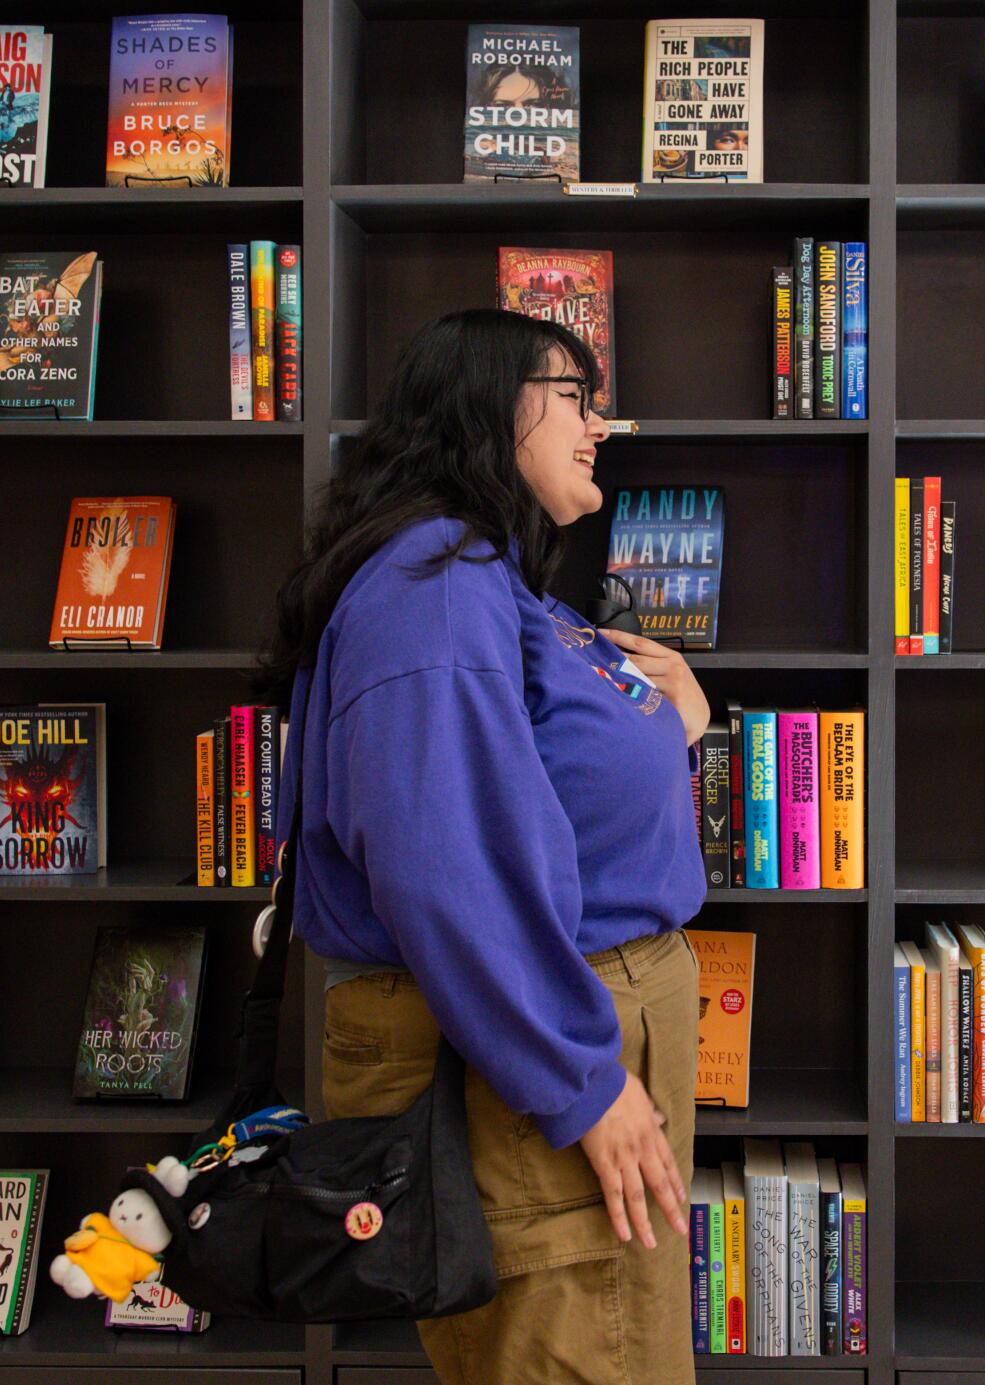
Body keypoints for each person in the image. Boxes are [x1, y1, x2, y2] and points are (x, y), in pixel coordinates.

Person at [258, 309, 710, 1385]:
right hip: (521, 1056)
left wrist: (674, 720)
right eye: (574, 397)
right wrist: (580, 1078)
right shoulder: (434, 586)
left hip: (545, 1035)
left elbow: (541, 770)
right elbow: (442, 862)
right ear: (484, 406)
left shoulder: (477, 577)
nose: (598, 426)